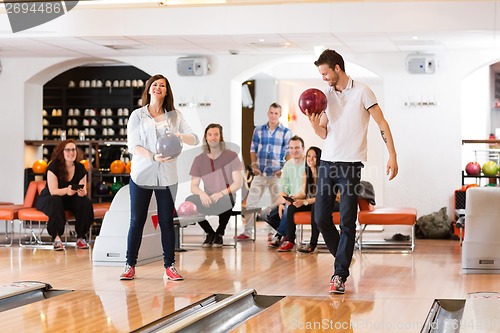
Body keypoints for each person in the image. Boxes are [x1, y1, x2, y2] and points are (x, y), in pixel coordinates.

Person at [307, 49, 398, 294]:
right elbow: (324, 133)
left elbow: (382, 123)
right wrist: (315, 126)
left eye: (326, 73)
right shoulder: (326, 96)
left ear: (337, 68)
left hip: (350, 165)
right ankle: (344, 257)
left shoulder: (363, 91)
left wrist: (392, 155)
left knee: (348, 221)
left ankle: (339, 274)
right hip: (327, 162)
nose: (324, 78)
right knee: (320, 218)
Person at [121, 74, 199, 281]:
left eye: (162, 85)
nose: (158, 88)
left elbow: (194, 138)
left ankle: (169, 266)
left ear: (166, 91)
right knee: (136, 220)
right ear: (148, 89)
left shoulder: (175, 116)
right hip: (142, 174)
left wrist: (179, 136)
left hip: (167, 176)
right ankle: (130, 265)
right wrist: (153, 157)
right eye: (155, 85)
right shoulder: (137, 116)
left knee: (166, 221)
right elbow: (133, 146)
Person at [236, 103, 292, 240]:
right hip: (260, 174)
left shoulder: (286, 132)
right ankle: (248, 231)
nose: (273, 115)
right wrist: (254, 165)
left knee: (276, 205)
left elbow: (289, 153)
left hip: (276, 174)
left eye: (276, 113)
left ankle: (272, 232)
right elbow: (253, 149)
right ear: (268, 113)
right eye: (271, 112)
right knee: (251, 203)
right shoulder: (259, 130)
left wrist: (283, 170)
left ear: (280, 115)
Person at [185, 123, 244, 247]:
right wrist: (202, 194)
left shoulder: (231, 156)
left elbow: (238, 183)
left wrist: (221, 193)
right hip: (208, 197)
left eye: (216, 134)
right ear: (206, 137)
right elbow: (194, 186)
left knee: (227, 199)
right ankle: (210, 232)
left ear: (221, 137)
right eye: (210, 135)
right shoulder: (199, 159)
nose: (213, 137)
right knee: (189, 201)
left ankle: (220, 233)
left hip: (226, 195)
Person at [35, 139, 93, 251]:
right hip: (51, 197)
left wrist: (83, 193)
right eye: (68, 150)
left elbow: (83, 188)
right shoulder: (53, 167)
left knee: (85, 202)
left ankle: (81, 237)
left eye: (73, 150)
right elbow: (53, 191)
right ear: (61, 152)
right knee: (56, 200)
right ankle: (56, 238)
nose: (71, 153)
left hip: (70, 198)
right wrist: (67, 190)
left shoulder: (80, 168)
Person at [278, 146, 324, 253]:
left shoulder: (324, 174)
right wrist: (294, 198)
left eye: (314, 157)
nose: (310, 159)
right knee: (292, 207)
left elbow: (322, 197)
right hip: (312, 201)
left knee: (315, 207)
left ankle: (313, 244)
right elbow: (303, 193)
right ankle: (290, 241)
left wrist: (305, 202)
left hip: (329, 202)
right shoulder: (306, 173)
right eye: (308, 156)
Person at [266, 136, 306, 249]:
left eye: (297, 147)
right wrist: (281, 204)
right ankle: (286, 234)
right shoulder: (288, 165)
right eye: (291, 148)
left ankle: (280, 236)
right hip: (289, 200)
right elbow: (283, 189)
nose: (294, 150)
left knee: (288, 209)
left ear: (303, 148)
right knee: (267, 214)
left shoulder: (307, 164)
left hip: (303, 200)